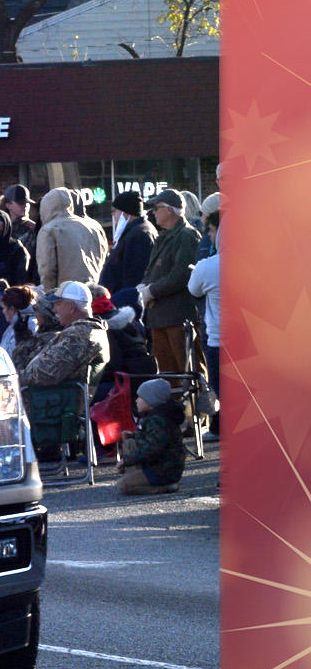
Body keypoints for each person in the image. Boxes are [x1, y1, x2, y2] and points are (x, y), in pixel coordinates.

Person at [137, 188, 202, 378]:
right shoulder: (164, 236)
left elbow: (181, 274)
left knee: (188, 372)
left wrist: (151, 291)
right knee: (166, 375)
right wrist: (143, 287)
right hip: (160, 317)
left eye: (156, 208)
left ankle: (197, 407)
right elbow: (153, 270)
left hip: (179, 316)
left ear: (169, 210)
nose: (153, 212)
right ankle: (172, 407)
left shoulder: (186, 235)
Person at [19, 281, 110, 388]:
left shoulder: (79, 335)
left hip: (53, 402)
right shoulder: (85, 331)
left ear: (71, 307)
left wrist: (10, 377)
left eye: (57, 304)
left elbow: (46, 374)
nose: (54, 310)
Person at [118, 378, 186, 495]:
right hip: (159, 464)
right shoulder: (157, 416)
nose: (136, 400)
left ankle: (164, 487)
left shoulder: (158, 420)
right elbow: (153, 439)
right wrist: (134, 435)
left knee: (123, 486)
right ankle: (141, 477)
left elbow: (151, 448)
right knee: (129, 443)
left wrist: (125, 460)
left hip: (163, 470)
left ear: (151, 401)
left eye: (140, 397)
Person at [188, 215, 222, 441]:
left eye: (211, 231)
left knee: (222, 391)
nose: (209, 236)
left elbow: (194, 289)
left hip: (219, 337)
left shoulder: (207, 266)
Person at [35, 186, 107, 291]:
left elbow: (47, 269)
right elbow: (102, 260)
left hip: (64, 293)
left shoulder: (49, 230)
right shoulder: (94, 227)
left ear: (45, 208)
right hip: (92, 290)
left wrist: (49, 293)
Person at [98, 190, 155, 307]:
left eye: (115, 210)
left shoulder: (138, 235)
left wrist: (123, 300)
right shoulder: (136, 231)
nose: (113, 215)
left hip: (126, 304)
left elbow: (133, 275)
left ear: (125, 212)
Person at [0, 285, 38, 360]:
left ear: (12, 309)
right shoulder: (15, 323)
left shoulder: (28, 325)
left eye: (3, 308)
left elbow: (12, 356)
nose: (3, 311)